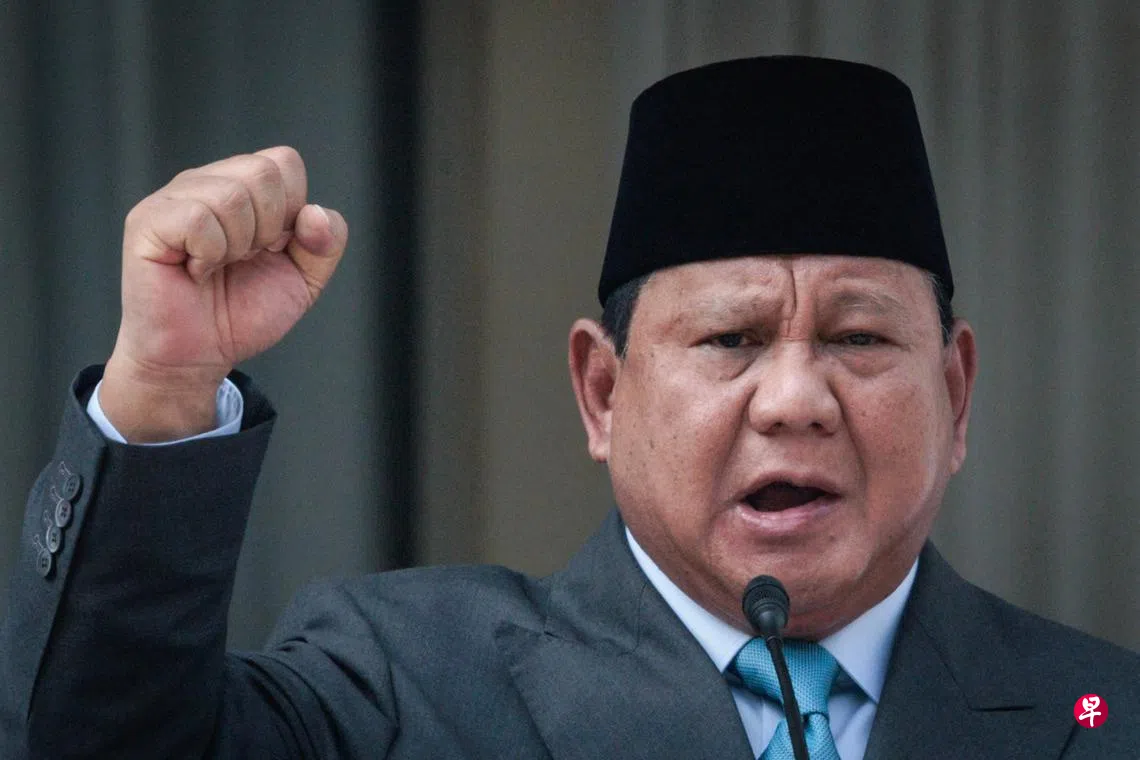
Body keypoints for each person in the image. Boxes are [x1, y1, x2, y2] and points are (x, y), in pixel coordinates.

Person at [1, 55, 1137, 759]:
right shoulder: (402, 686)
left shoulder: (1102, 711)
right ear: (603, 389)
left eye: (858, 339)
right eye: (731, 340)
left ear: (955, 392)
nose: (796, 401)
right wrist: (164, 389)